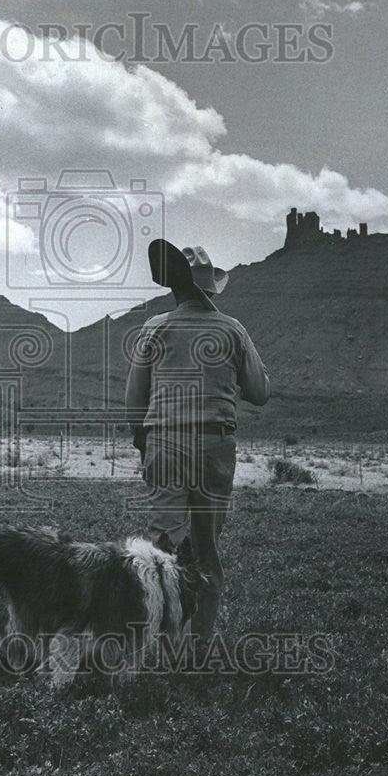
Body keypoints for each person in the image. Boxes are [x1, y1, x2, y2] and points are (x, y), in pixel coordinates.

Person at [125, 238, 270, 651]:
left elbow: (134, 401)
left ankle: (156, 644)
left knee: (161, 549)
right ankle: (198, 647)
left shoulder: (154, 327)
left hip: (164, 443)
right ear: (210, 287)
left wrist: (145, 444)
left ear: (174, 286)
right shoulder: (233, 329)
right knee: (206, 548)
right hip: (214, 445)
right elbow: (260, 392)